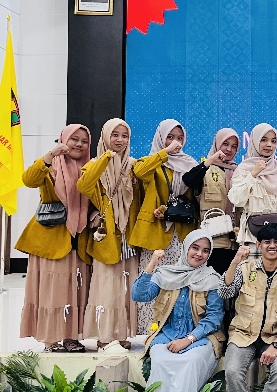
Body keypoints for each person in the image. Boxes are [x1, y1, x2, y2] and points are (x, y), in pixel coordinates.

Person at [17, 124, 92, 353]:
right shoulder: (51, 167)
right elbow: (28, 179)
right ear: (63, 140)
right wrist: (50, 155)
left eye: (84, 141)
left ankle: (71, 337)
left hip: (79, 239)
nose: (79, 144)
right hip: (51, 239)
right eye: (74, 139)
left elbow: (97, 201)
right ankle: (50, 339)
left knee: (76, 291)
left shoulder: (90, 169)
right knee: (52, 292)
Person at [131, 229, 224, 392]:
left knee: (190, 361)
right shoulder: (166, 274)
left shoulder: (212, 279)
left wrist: (188, 339)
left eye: (205, 251)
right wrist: (152, 263)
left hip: (201, 337)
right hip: (167, 334)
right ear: (186, 247)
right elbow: (139, 295)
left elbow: (214, 318)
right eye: (195, 248)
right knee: (160, 360)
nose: (199, 254)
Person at [130, 119, 199, 335]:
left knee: (177, 284)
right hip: (156, 230)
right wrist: (165, 153)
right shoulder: (151, 161)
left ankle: (174, 329)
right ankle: (149, 331)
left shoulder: (189, 162)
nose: (175, 142)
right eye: (170, 137)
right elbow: (140, 172)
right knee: (152, 280)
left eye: (179, 138)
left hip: (181, 232)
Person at [78, 119, 140, 352]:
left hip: (127, 235)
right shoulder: (95, 164)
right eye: (115, 135)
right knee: (106, 286)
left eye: (124, 136)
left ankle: (121, 334)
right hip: (106, 234)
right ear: (105, 137)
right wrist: (106, 158)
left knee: (125, 286)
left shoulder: (132, 165)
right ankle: (104, 337)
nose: (120, 140)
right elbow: (84, 186)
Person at [220, 223, 277, 392]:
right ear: (258, 244)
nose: (272, 246)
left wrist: (276, 345)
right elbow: (225, 292)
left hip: (273, 336)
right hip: (242, 334)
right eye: (267, 242)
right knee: (232, 372)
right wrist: (235, 261)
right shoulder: (244, 268)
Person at [183, 128, 240, 274]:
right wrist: (210, 161)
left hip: (235, 242)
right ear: (217, 144)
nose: (229, 149)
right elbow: (188, 180)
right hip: (211, 242)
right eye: (225, 144)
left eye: (234, 146)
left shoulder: (239, 172)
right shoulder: (206, 169)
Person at [229, 123, 277, 258]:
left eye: (273, 141)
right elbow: (236, 199)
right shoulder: (244, 168)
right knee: (251, 271)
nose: (269, 145)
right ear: (254, 141)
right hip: (252, 238)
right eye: (264, 140)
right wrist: (253, 174)